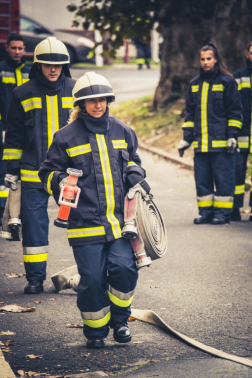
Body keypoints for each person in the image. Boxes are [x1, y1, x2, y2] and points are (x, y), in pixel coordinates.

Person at [39, 71, 148, 349]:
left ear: (108, 101)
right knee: (91, 279)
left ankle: (121, 321)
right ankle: (96, 330)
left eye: (101, 100)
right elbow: (48, 171)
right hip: (84, 223)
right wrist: (61, 180)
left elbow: (134, 159)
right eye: (91, 101)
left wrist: (136, 172)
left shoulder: (123, 130)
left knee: (124, 268)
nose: (97, 105)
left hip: (121, 222)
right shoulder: (65, 137)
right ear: (81, 105)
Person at [2, 37, 75, 294]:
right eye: (47, 64)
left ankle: (89, 273)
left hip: (69, 175)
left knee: (83, 222)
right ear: (37, 65)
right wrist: (11, 170)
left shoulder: (77, 92)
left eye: (58, 65)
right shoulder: (22, 93)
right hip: (32, 174)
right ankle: (35, 279)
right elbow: (14, 136)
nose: (53, 69)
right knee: (34, 227)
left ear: (65, 65)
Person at [178, 42, 242, 225]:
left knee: (223, 180)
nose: (205, 62)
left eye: (209, 59)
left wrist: (232, 136)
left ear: (216, 60)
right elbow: (190, 115)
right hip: (201, 145)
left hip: (222, 145)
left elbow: (235, 112)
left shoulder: (227, 82)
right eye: (202, 59)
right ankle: (206, 212)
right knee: (202, 181)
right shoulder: (194, 84)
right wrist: (186, 140)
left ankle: (223, 214)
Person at [0, 33, 30, 225]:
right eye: (14, 48)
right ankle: (3, 211)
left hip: (23, 131)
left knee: (19, 171)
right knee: (4, 170)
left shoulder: (29, 72)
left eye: (20, 48)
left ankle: (16, 213)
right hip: (3, 128)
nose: (17, 51)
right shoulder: (1, 71)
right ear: (6, 48)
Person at [231, 42, 252, 221]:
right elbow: (230, 105)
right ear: (247, 55)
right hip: (241, 135)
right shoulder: (238, 76)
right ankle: (235, 208)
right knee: (237, 173)